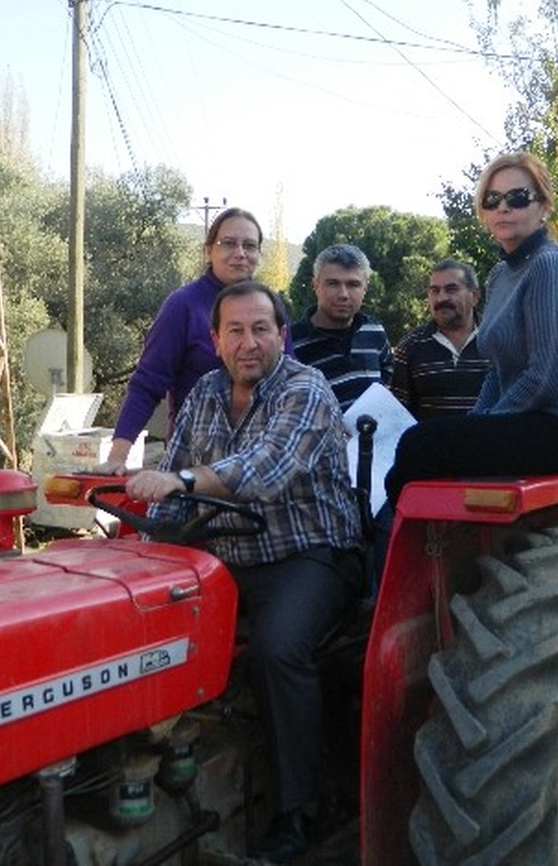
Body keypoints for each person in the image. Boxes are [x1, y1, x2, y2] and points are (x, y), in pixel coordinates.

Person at [122, 281, 363, 863]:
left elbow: (264, 470)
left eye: (261, 329)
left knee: (277, 648)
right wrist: (144, 528)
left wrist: (180, 483)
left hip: (310, 555)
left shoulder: (307, 389)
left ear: (283, 334)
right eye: (235, 330)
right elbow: (173, 473)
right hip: (223, 554)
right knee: (137, 621)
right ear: (215, 339)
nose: (248, 342)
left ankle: (295, 812)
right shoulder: (204, 391)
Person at [384, 152, 558, 506]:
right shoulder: (500, 274)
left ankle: (398, 549)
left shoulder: (548, 266)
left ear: (543, 206)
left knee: (420, 444)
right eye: (492, 200)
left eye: (518, 197)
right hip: (533, 421)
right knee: (425, 445)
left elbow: (544, 377)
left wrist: (485, 425)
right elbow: (497, 369)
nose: (503, 208)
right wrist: (478, 421)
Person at [99, 207, 266, 474]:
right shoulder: (183, 306)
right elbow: (147, 384)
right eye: (228, 244)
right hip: (193, 461)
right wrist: (117, 456)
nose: (240, 253)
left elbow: (287, 380)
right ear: (209, 250)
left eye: (249, 245)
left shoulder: (269, 307)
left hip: (260, 462)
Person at [289, 243, 393, 411]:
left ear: (365, 288)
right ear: (315, 285)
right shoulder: (291, 343)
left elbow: (388, 381)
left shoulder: (374, 333)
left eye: (353, 285)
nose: (343, 294)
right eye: (333, 284)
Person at [389, 259, 489, 419]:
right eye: (434, 291)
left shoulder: (499, 341)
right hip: (432, 444)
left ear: (475, 296)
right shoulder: (410, 347)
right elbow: (398, 414)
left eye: (451, 289)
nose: (441, 298)